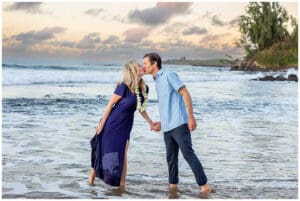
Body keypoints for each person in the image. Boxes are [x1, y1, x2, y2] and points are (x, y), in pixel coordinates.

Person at [142, 53, 212, 197]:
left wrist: (191, 117)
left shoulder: (168, 75)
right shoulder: (156, 81)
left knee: (188, 154)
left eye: (146, 63)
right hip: (167, 127)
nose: (144, 66)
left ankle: (204, 186)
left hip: (179, 124)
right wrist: (161, 122)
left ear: (155, 64)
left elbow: (185, 93)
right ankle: (173, 187)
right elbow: (168, 104)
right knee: (171, 158)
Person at [89, 60, 160, 187]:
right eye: (139, 66)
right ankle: (91, 181)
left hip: (126, 125)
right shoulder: (123, 86)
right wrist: (101, 124)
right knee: (102, 149)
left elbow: (141, 108)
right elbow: (110, 105)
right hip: (112, 124)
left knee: (123, 152)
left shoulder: (144, 88)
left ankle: (122, 184)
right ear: (133, 71)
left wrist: (150, 122)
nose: (142, 67)